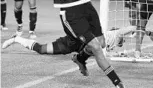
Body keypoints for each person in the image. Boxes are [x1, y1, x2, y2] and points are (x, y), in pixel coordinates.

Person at [2, 26, 136, 58]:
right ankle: (16, 39)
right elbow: (131, 28)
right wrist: (146, 31)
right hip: (72, 42)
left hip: (76, 48)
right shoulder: (114, 34)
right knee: (42, 49)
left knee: (42, 50)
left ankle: (17, 39)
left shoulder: (110, 43)